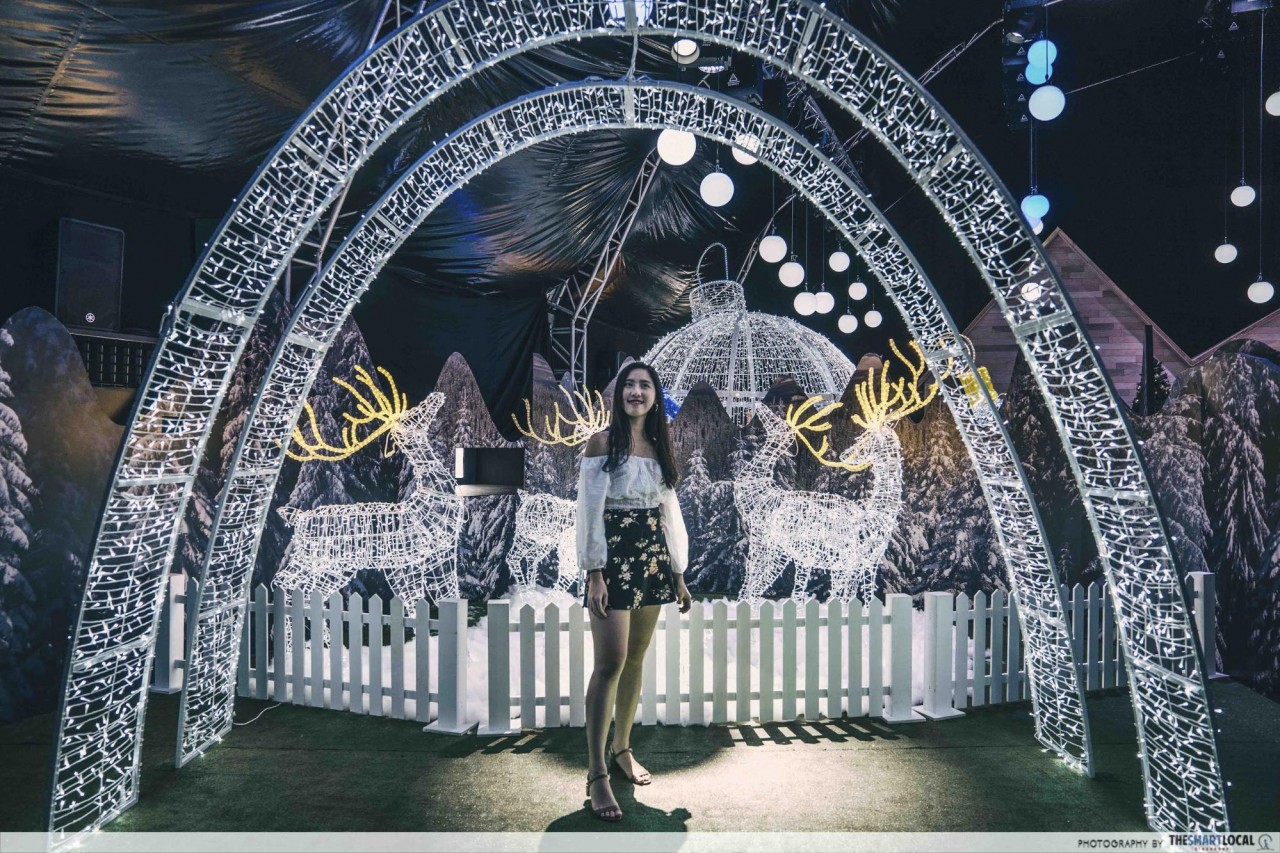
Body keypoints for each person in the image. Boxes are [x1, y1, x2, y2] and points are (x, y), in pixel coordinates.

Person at [577, 361, 692, 822]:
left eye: (645, 385)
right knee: (610, 662)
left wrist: (678, 572)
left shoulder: (659, 446)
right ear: (619, 394)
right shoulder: (602, 443)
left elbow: (668, 512)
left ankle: (622, 748)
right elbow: (589, 511)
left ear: (654, 396)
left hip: (651, 558)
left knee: (636, 659)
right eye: (629, 384)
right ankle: (596, 771)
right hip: (612, 558)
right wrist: (594, 572)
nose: (636, 392)